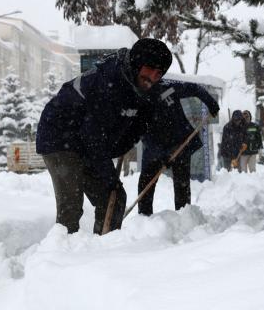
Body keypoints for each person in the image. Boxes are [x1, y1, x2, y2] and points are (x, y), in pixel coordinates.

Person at [37, 38, 171, 234]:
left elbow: (140, 129)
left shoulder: (144, 91)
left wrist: (159, 150)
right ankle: (62, 249)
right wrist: (108, 176)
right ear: (136, 64)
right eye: (149, 68)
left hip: (87, 141)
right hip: (58, 136)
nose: (153, 77)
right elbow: (93, 136)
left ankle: (105, 247)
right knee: (71, 205)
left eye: (159, 73)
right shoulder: (108, 81)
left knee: (114, 199)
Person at [137, 80, 219, 215]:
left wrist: (210, 102)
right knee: (146, 183)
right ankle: (144, 218)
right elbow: (142, 134)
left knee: (182, 184)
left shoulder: (168, 87)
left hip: (180, 143)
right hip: (154, 148)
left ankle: (184, 216)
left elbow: (194, 88)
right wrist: (161, 155)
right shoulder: (137, 100)